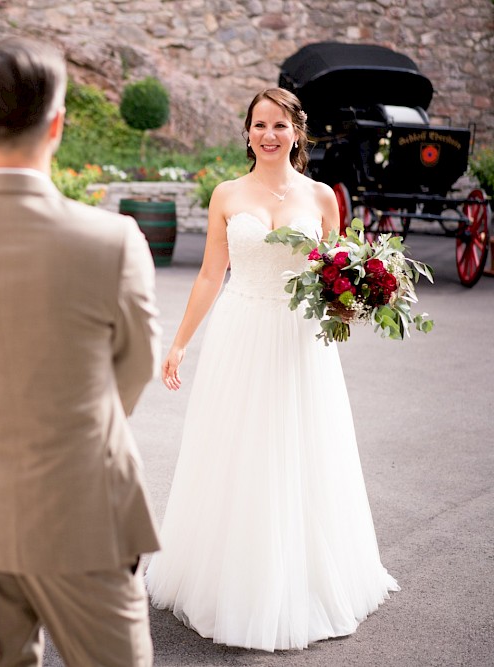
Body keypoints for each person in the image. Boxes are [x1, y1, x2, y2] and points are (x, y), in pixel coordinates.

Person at [0, 37, 163, 667]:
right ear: (58, 125)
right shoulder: (112, 240)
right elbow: (139, 364)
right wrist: (84, 423)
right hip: (86, 509)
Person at [143, 87, 399, 651]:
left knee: (304, 450)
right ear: (248, 132)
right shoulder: (227, 194)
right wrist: (180, 342)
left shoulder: (323, 198)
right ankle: (231, 578)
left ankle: (301, 580)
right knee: (241, 451)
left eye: (279, 125)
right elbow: (213, 274)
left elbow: (340, 272)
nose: (268, 135)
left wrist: (358, 298)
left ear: (296, 132)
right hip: (241, 332)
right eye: (259, 125)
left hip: (302, 339)